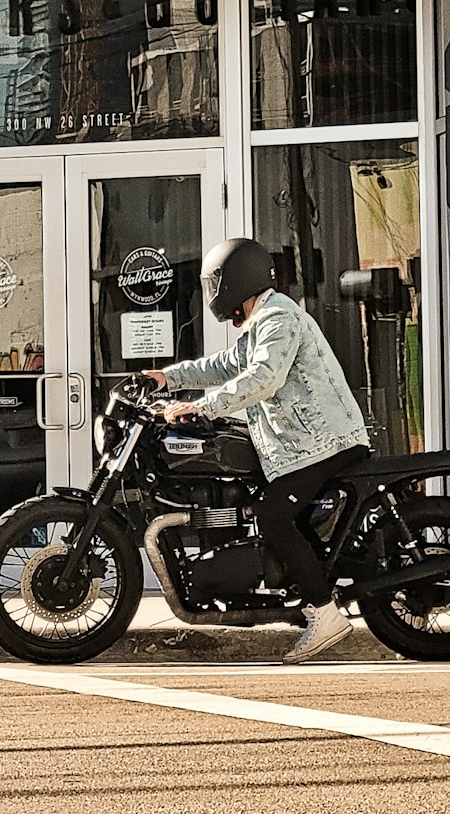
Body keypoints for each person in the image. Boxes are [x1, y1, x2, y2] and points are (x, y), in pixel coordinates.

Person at [144, 237, 370, 663]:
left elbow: (262, 379)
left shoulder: (278, 317)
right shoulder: (261, 322)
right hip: (302, 446)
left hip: (322, 443)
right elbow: (222, 366)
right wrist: (165, 378)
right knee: (267, 507)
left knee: (272, 514)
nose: (214, 295)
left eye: (215, 284)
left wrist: (200, 407)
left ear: (233, 282)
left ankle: (324, 613)